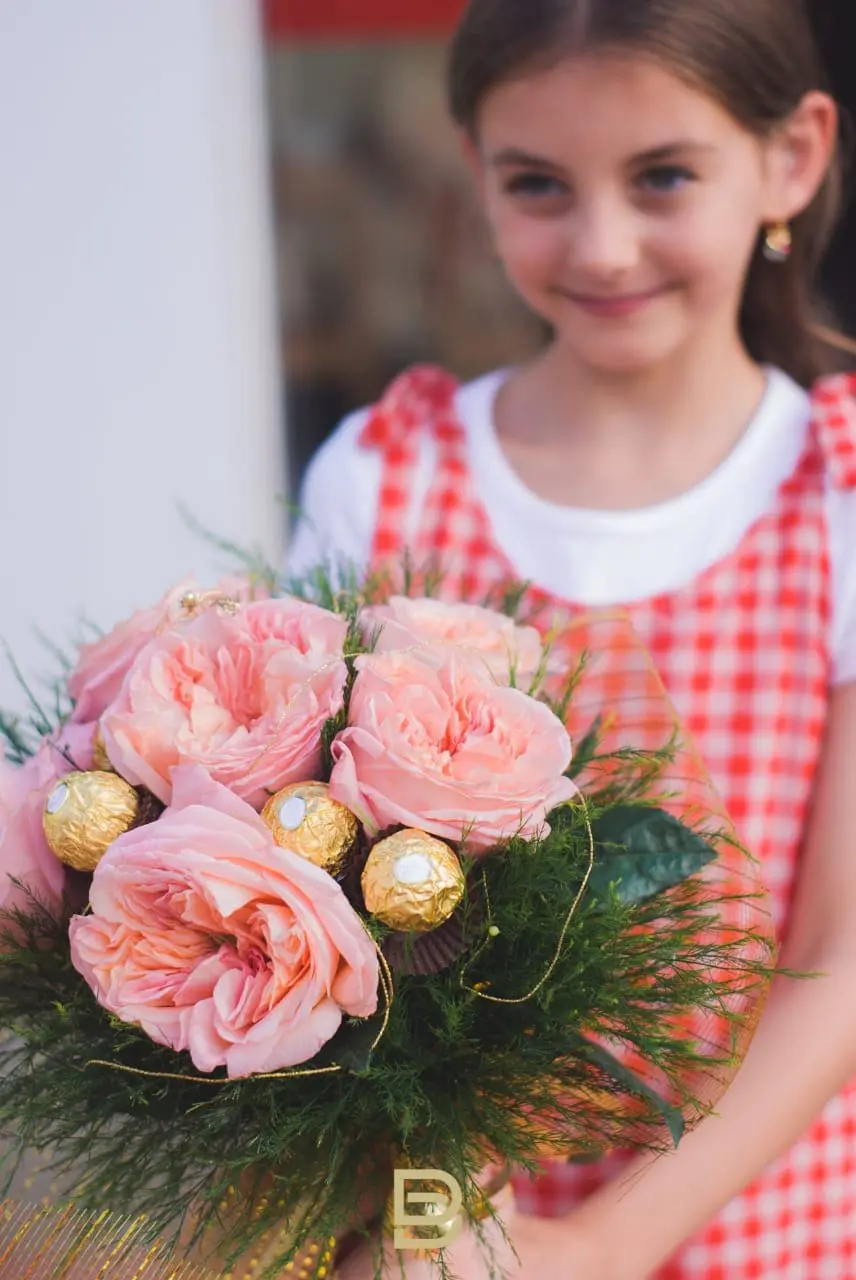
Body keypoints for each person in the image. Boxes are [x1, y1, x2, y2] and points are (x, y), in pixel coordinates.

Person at [289, 1, 856, 1275]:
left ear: (792, 156)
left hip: (761, 1226)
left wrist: (604, 1243)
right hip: (446, 1225)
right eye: (538, 184)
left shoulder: (836, 489)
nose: (601, 246)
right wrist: (445, 1236)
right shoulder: (385, 478)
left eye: (662, 176)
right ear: (473, 168)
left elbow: (842, 956)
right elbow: (339, 914)